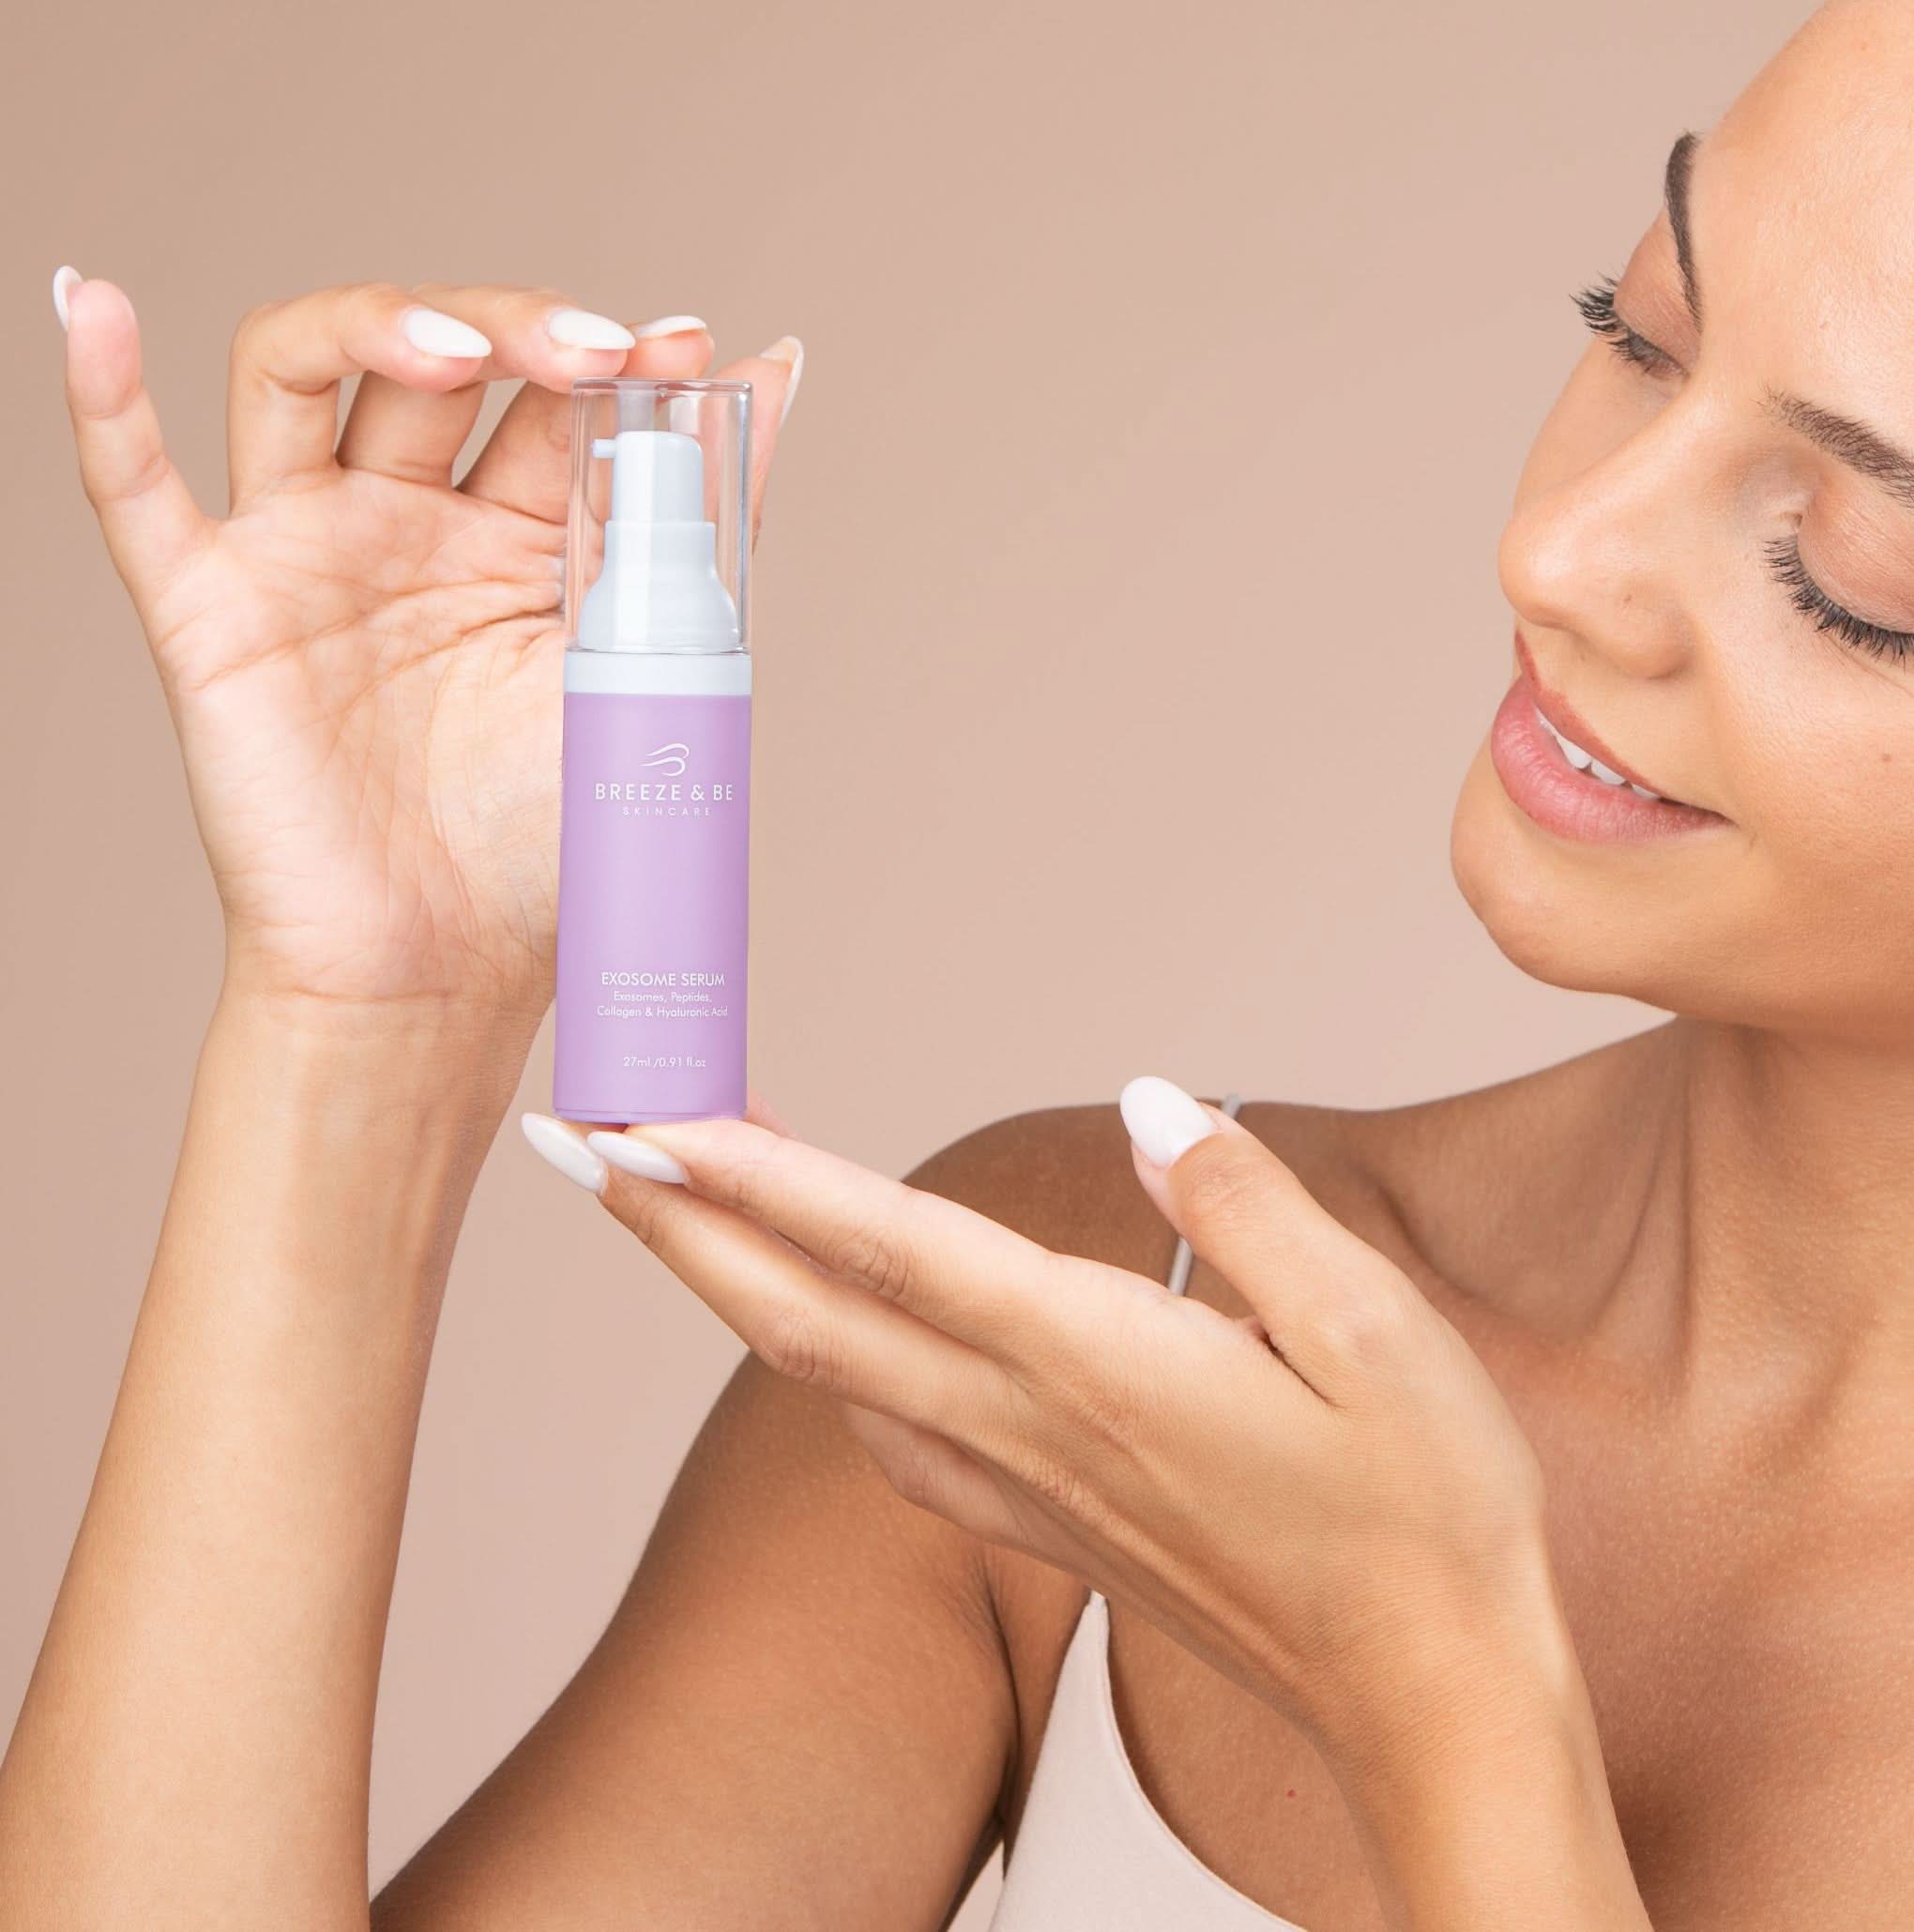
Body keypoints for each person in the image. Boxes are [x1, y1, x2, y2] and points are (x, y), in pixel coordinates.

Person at [5, 5, 1912, 1924]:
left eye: (1847, 566)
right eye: (1637, 325)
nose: (1561, 554)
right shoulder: (1099, 1324)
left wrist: (1448, 1705)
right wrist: (367, 1029)